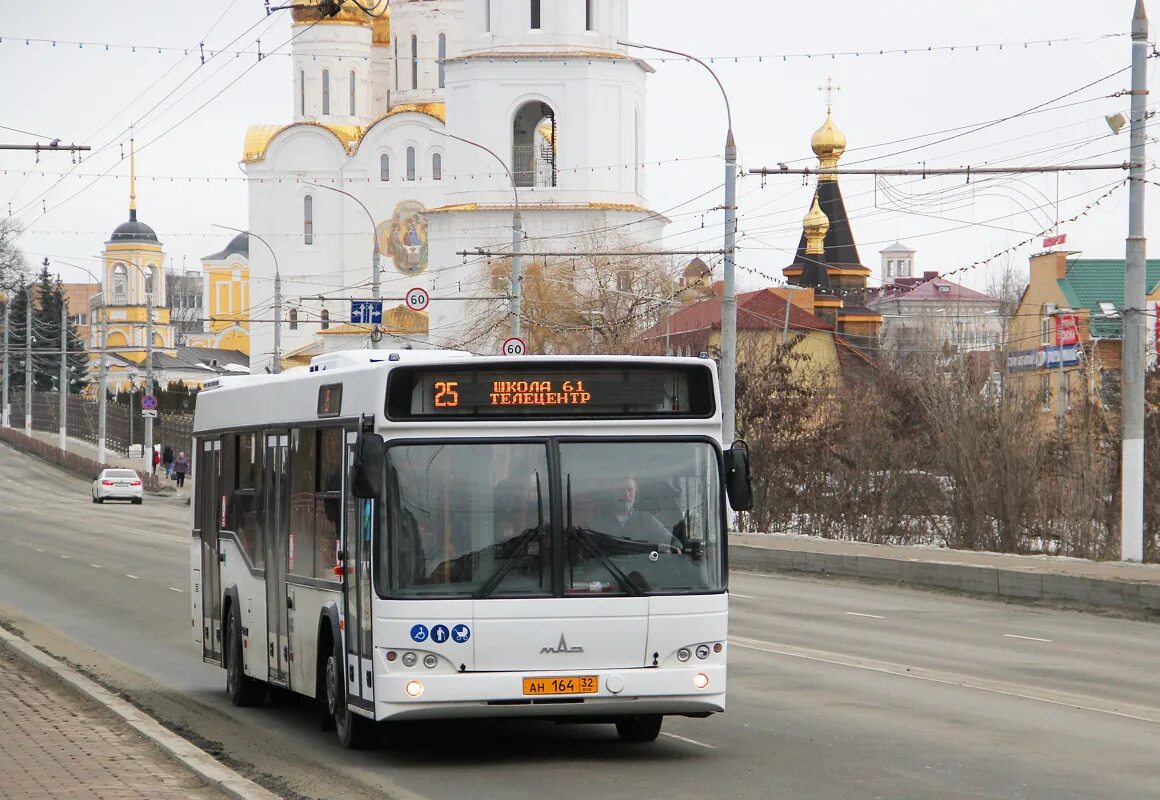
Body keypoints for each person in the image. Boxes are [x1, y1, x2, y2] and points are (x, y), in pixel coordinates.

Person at [586, 476, 681, 553]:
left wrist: (674, 549)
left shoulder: (647, 520)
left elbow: (673, 542)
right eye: (620, 490)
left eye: (630, 490)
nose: (626, 495)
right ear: (612, 494)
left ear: (636, 493)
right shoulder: (598, 524)